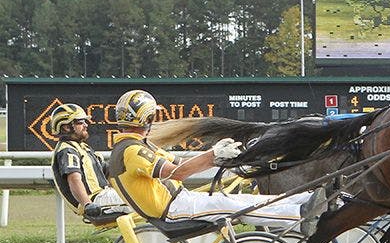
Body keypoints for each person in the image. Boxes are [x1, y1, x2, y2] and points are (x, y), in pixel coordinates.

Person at [106, 89, 326, 234]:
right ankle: (298, 215)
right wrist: (212, 155)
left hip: (181, 201)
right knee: (234, 206)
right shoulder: (132, 151)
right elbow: (177, 173)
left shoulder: (136, 147)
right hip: (174, 210)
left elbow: (181, 163)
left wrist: (220, 158)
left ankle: (303, 199)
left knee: (241, 199)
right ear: (148, 118)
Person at [49, 103, 130, 220]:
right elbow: (74, 179)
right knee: (142, 200)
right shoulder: (67, 150)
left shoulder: (84, 148)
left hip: (104, 196)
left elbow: (110, 172)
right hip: (95, 200)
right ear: (66, 127)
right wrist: (87, 204)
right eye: (80, 122)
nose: (86, 125)